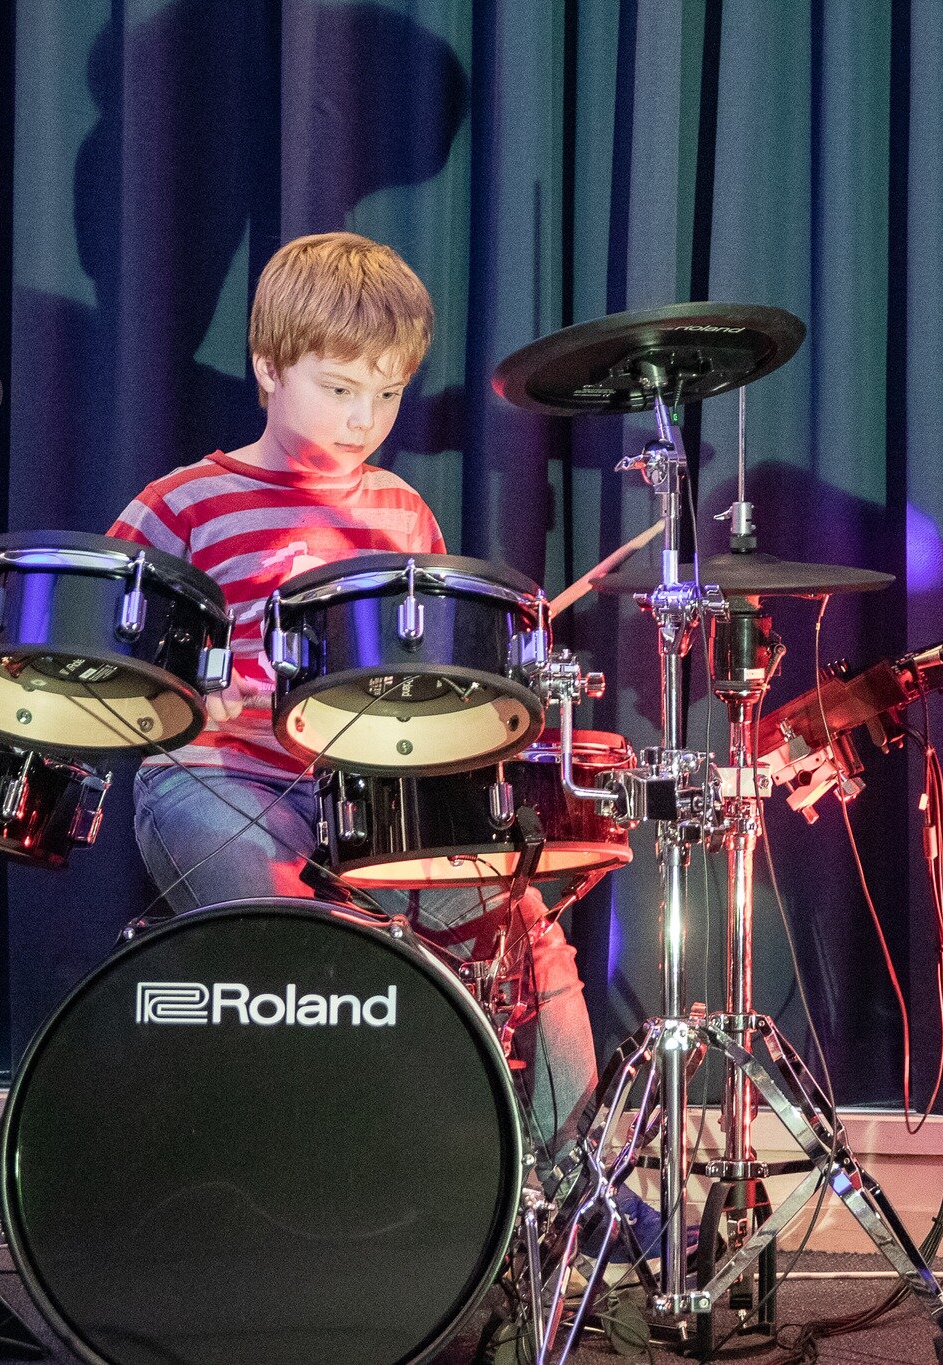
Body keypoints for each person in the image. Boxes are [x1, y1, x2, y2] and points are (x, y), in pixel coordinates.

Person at [105, 231, 603, 1166]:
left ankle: (565, 1192)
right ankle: (341, 1181)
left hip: (372, 799)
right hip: (220, 780)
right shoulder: (183, 504)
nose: (363, 417)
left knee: (526, 928)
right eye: (339, 389)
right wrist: (186, 693)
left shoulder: (401, 512)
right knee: (304, 937)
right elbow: (115, 654)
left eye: (387, 394)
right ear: (267, 366)